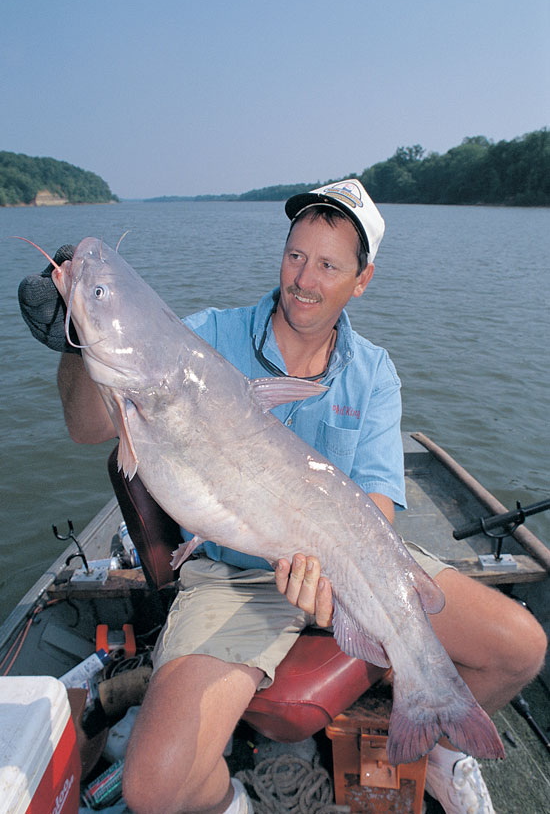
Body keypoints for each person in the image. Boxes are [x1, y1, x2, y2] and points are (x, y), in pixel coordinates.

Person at [19, 180, 547, 814]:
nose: (305, 278)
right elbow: (88, 426)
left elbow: (375, 511)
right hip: (234, 577)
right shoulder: (204, 337)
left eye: (328, 265)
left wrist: (332, 582)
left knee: (523, 647)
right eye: (297, 255)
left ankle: (437, 745)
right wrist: (75, 339)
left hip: (353, 551)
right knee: (155, 788)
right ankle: (233, 802)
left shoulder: (373, 371)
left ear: (362, 279)